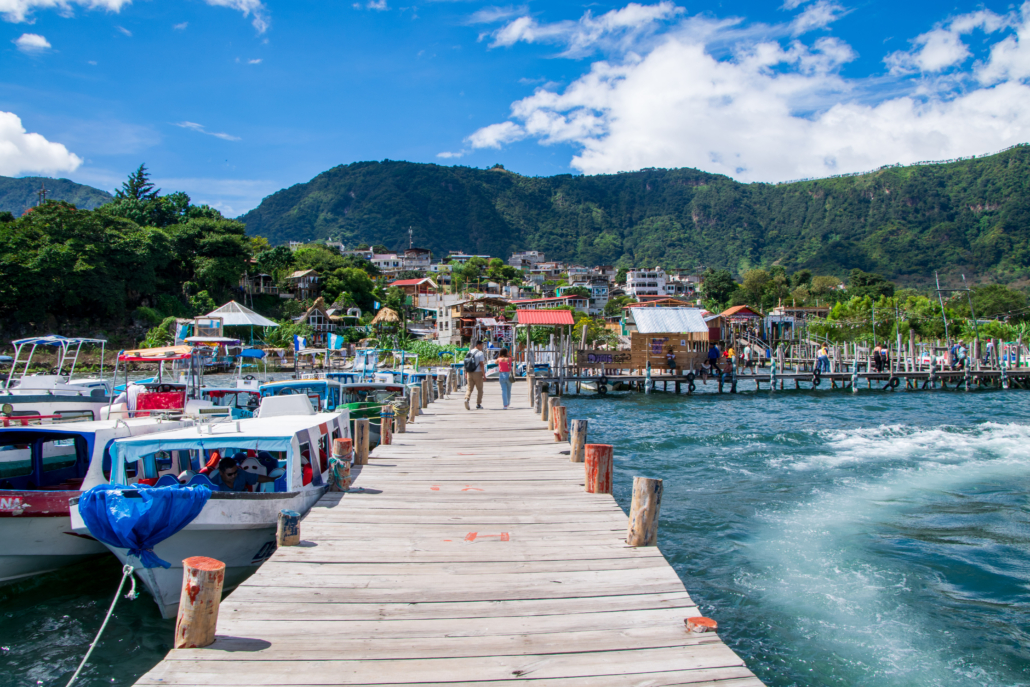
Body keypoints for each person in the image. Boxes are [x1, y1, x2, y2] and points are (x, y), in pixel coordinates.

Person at [208, 456, 275, 492]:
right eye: (230, 474)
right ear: (221, 472)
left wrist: (273, 479)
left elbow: (257, 478)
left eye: (235, 472)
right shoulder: (213, 484)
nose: (233, 476)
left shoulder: (241, 473)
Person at [464, 340, 486, 410]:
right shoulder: (480, 353)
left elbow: (466, 363)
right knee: (480, 389)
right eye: (481, 345)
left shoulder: (469, 352)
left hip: (469, 372)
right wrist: (484, 375)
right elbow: (481, 365)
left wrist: (466, 372)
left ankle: (466, 399)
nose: (482, 347)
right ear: (478, 345)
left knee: (469, 388)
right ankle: (478, 404)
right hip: (478, 373)